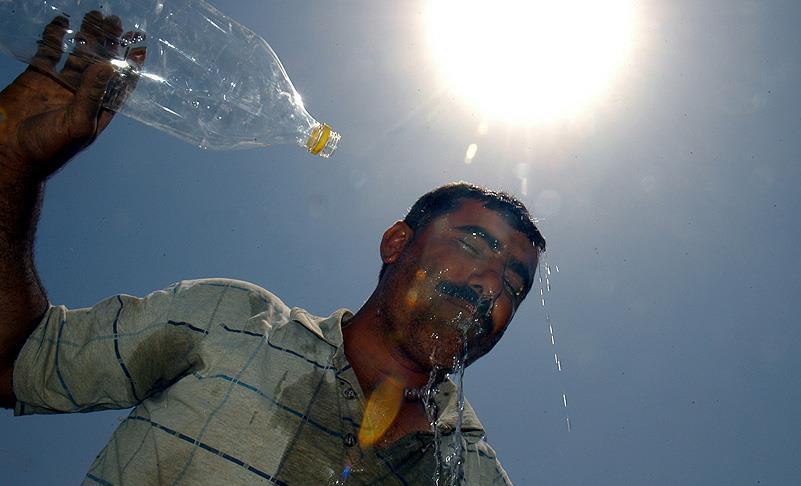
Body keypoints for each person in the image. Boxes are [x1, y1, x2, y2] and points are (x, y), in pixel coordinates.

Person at [0, 13, 545, 485]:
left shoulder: (472, 472)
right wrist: (11, 160)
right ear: (396, 242)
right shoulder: (227, 323)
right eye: (474, 244)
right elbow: (18, 361)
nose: (490, 285)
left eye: (514, 285)